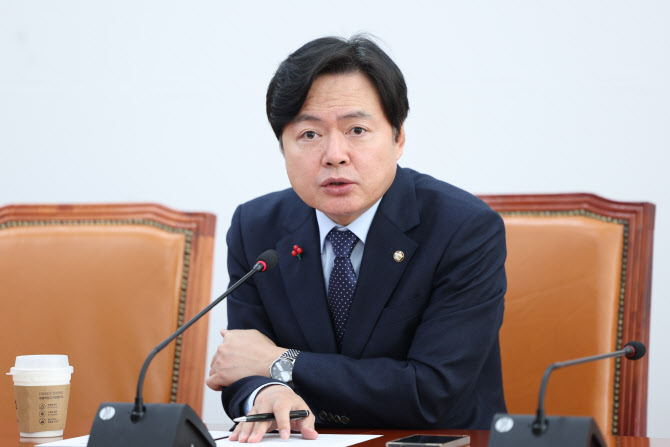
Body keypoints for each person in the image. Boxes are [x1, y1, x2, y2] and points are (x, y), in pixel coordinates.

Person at [206, 35, 507, 443]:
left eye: (357, 130)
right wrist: (267, 391)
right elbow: (242, 362)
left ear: (398, 139)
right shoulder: (256, 227)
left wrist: (282, 363)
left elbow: (431, 392)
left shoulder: (463, 229)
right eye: (309, 134)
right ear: (282, 147)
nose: (335, 154)